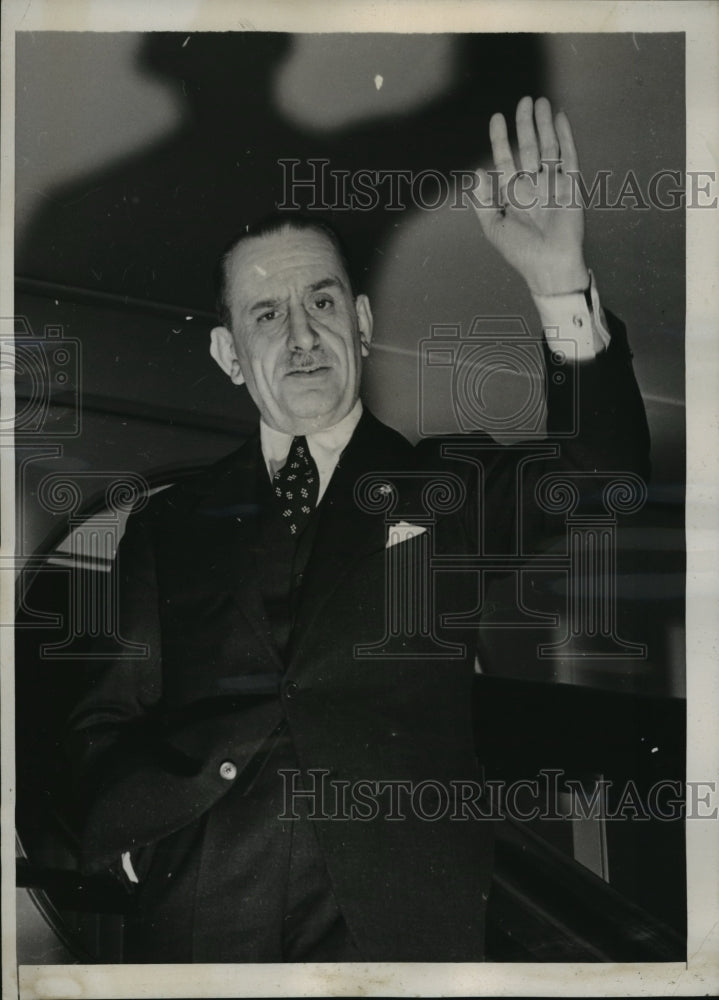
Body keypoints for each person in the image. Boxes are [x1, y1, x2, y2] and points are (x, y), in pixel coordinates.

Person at [67, 97, 650, 962]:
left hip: (404, 921)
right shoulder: (168, 525)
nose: (300, 335)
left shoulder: (441, 484)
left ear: (363, 323)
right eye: (266, 314)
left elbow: (601, 481)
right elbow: (104, 720)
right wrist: (131, 849)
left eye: (323, 302)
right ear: (230, 354)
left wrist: (556, 282)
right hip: (202, 917)